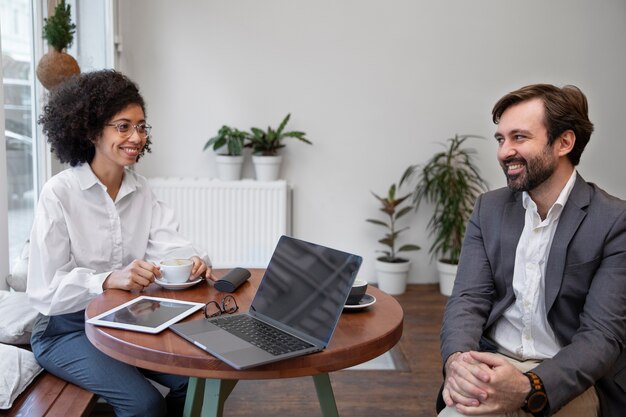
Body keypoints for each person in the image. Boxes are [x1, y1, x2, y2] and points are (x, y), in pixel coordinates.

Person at [27, 70, 214, 417]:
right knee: (144, 404)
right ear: (92, 130)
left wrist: (193, 260)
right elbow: (43, 291)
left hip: (124, 318)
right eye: (123, 126)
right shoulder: (60, 193)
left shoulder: (140, 190)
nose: (136, 137)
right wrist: (107, 280)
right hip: (65, 330)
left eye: (141, 126)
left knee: (194, 382)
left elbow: (171, 245)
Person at [437, 84, 626, 417]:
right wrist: (458, 362)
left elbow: (601, 336)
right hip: (492, 362)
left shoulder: (613, 221)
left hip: (567, 378)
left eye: (519, 137)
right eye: (501, 139)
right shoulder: (489, 209)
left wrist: (529, 387)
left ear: (564, 143)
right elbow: (468, 299)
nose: (504, 151)